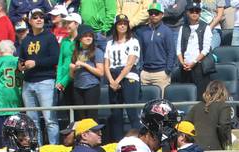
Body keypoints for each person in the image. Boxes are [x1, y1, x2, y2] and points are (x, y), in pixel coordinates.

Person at [19, 8, 60, 145]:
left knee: (50, 119)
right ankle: (37, 149)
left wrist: (36, 63)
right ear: (30, 21)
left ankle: (54, 149)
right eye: (35, 17)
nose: (39, 19)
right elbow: (21, 58)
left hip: (46, 81)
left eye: (41, 17)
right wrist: (20, 65)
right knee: (32, 121)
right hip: (28, 82)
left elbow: (55, 58)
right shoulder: (26, 40)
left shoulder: (50, 37)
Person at [105, 14, 142, 142]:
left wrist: (117, 81)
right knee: (115, 114)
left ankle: (139, 141)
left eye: (125, 23)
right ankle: (117, 142)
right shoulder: (110, 43)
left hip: (128, 75)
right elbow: (106, 63)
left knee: (132, 112)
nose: (122, 26)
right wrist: (111, 81)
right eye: (120, 23)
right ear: (115, 25)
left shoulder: (133, 41)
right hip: (113, 76)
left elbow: (130, 63)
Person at [176, 2, 215, 99]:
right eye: (192, 11)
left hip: (200, 67)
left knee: (201, 96)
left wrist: (193, 62)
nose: (194, 13)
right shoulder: (183, 28)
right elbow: (178, 48)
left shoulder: (205, 27)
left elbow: (206, 49)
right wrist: (182, 63)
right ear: (187, 13)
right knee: (185, 96)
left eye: (197, 11)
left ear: (200, 13)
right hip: (185, 67)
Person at [137, 3, 176, 94]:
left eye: (156, 13)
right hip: (145, 73)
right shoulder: (144, 32)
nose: (153, 15)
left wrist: (167, 70)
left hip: (161, 73)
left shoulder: (167, 31)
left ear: (162, 14)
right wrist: (141, 70)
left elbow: (171, 52)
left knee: (160, 105)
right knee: (144, 104)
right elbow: (141, 52)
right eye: (151, 13)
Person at [0, 40, 22, 147]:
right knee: (17, 130)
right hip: (16, 96)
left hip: (2, 98)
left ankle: (7, 149)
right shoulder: (18, 60)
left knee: (4, 132)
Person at [185, 79, 233, 150]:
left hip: (195, 149)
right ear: (223, 92)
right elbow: (224, 126)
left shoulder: (196, 107)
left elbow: (185, 125)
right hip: (215, 149)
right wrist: (227, 145)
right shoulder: (224, 107)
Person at [69, 25, 104, 121]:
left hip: (92, 87)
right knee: (81, 118)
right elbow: (72, 76)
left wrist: (85, 65)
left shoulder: (97, 51)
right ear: (80, 38)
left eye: (90, 36)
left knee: (91, 117)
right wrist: (72, 69)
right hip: (77, 87)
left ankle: (93, 135)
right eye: (85, 36)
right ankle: (83, 136)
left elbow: (101, 72)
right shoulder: (76, 52)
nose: (88, 38)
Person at [55, 12, 80, 110]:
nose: (66, 25)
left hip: (75, 79)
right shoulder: (64, 41)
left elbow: (76, 63)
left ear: (77, 24)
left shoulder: (80, 41)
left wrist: (64, 81)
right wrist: (58, 80)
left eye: (69, 22)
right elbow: (60, 62)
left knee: (78, 112)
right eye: (66, 23)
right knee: (68, 111)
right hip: (64, 82)